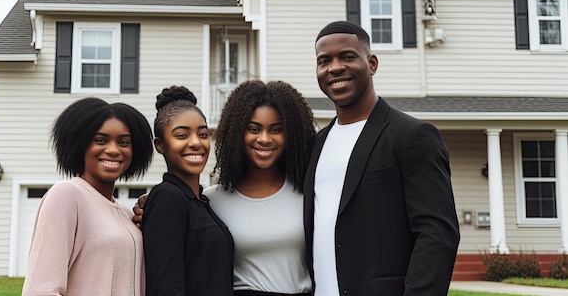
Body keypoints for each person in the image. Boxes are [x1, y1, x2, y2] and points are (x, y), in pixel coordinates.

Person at [303, 20, 460, 296]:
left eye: (348, 56)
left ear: (372, 63)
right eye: (324, 61)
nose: (335, 67)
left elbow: (437, 235)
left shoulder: (412, 136)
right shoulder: (316, 144)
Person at [22, 97, 154, 296]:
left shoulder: (127, 215)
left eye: (124, 142)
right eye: (100, 140)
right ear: (81, 144)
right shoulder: (66, 195)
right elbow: (42, 289)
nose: (113, 150)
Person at [206, 80, 316, 295]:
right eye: (254, 129)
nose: (264, 139)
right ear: (236, 132)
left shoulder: (308, 194)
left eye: (276, 129)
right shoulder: (211, 201)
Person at [141, 85, 233, 296]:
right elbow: (165, 287)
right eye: (182, 135)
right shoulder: (167, 198)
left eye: (202, 134)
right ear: (160, 145)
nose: (195, 143)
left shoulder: (203, 202)